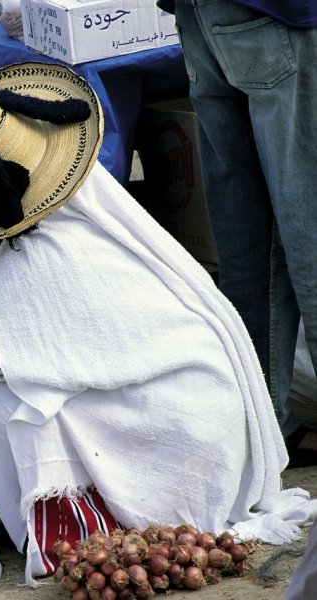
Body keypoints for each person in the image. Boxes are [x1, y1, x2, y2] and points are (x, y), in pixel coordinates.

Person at [0, 64, 317, 581]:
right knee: (21, 381)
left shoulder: (33, 266)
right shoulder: (90, 216)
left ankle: (74, 535)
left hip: (186, 454)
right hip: (204, 429)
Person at [156, 0, 317, 462]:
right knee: (306, 232)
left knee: (249, 239)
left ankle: (263, 437)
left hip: (203, 15)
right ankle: (264, 431)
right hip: (277, 16)